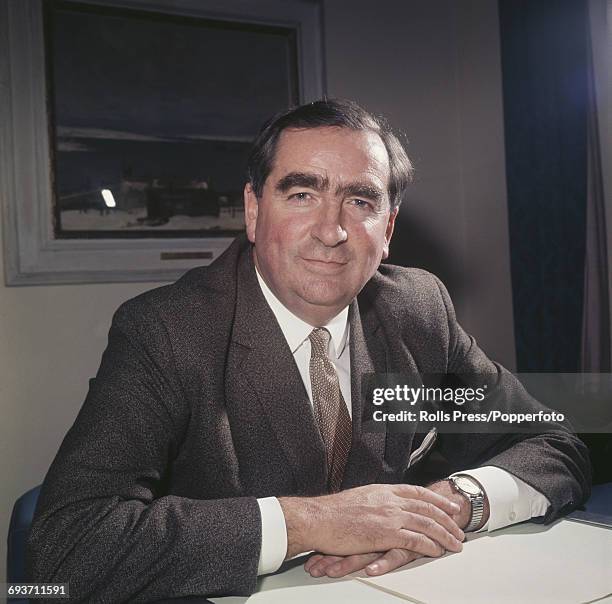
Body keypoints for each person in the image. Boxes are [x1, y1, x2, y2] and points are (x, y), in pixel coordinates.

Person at [27, 99, 590, 602]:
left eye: (360, 201)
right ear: (253, 210)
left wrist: (447, 505)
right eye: (302, 194)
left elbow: (553, 443)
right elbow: (65, 550)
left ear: (388, 228)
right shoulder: (167, 331)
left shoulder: (416, 308)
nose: (331, 230)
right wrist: (311, 521)